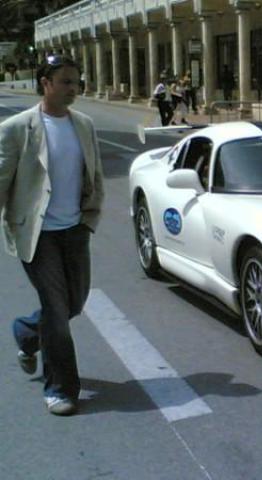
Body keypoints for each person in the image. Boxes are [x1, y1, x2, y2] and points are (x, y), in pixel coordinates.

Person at [0, 55, 104, 416]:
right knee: (58, 313)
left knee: (73, 304)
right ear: (45, 83)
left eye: (76, 82)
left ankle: (27, 333)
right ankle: (61, 389)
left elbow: (95, 175)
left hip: (75, 230)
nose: (73, 89)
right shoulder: (17, 128)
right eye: (66, 82)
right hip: (38, 235)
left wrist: (90, 218)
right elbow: (2, 180)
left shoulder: (84, 124)